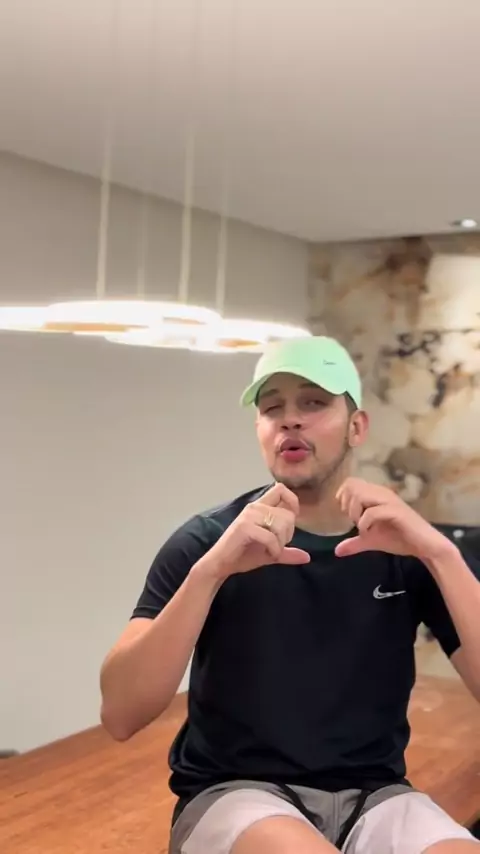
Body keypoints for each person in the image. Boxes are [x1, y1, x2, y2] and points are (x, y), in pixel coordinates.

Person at [100, 336, 480, 854]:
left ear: (357, 426)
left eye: (313, 402)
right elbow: (121, 713)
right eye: (272, 408)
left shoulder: (406, 548)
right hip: (235, 793)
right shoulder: (208, 542)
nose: (290, 421)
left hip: (377, 796)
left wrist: (439, 552)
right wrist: (211, 574)